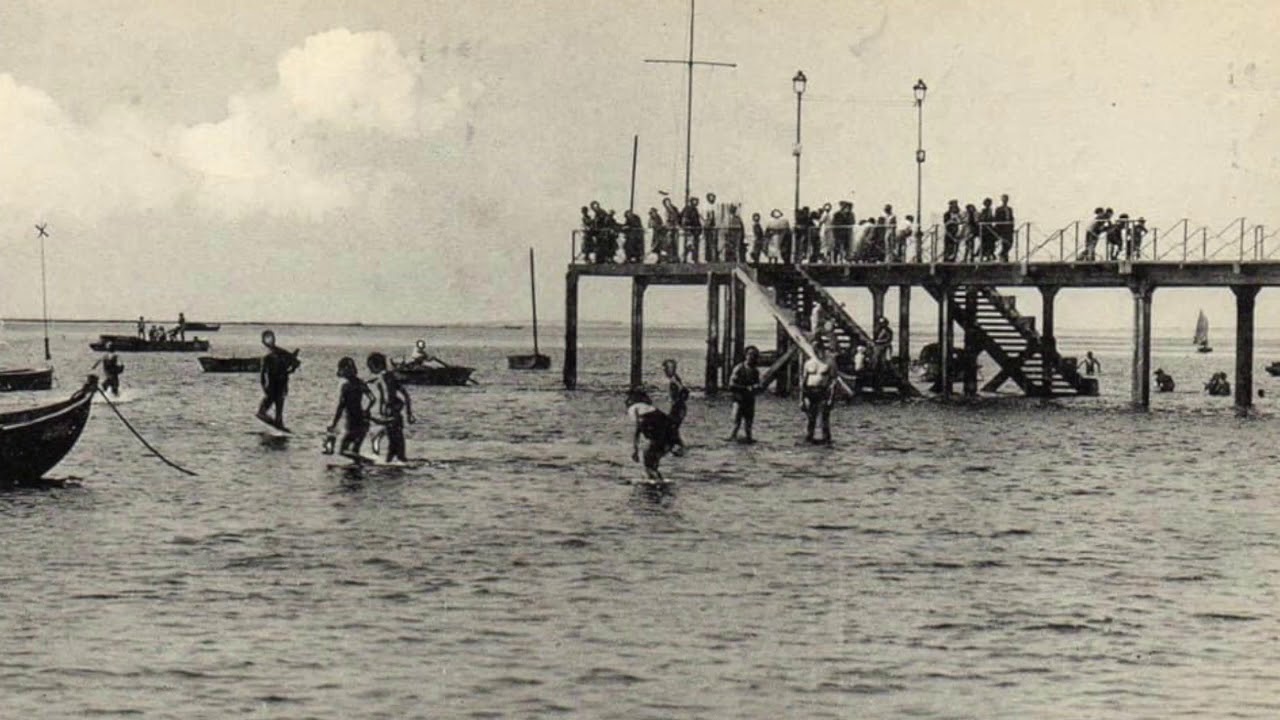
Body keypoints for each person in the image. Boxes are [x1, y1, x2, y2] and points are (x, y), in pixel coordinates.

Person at [367, 352, 415, 463]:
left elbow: (386, 396)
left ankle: (390, 463)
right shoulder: (390, 377)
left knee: (396, 447)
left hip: (390, 415)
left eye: (370, 367)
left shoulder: (383, 378)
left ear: (376, 366)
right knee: (396, 446)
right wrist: (409, 413)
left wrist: (384, 409)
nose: (370, 371)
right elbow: (406, 395)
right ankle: (392, 467)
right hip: (395, 415)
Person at [326, 357, 375, 460]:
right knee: (354, 451)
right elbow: (372, 399)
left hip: (352, 422)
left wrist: (334, 423)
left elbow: (341, 406)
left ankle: (367, 462)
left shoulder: (346, 386)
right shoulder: (360, 383)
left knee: (342, 451)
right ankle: (360, 468)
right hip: (363, 421)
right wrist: (367, 410)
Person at [626, 388, 676, 481]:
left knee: (649, 463)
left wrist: (635, 450)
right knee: (653, 463)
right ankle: (659, 484)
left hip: (657, 433)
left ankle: (656, 484)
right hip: (668, 432)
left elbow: (638, 427)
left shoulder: (634, 409)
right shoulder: (649, 407)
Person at [257, 329, 301, 430]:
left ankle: (278, 422)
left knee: (276, 406)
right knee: (263, 410)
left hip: (280, 383)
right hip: (274, 385)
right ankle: (278, 422)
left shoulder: (280, 353)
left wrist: (289, 370)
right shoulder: (268, 357)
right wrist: (264, 386)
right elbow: (263, 375)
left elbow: (296, 363)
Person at [800, 341, 836, 444]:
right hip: (810, 391)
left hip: (823, 391)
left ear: (822, 349)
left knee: (824, 418)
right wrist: (801, 399)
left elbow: (833, 381)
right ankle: (809, 437)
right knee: (810, 418)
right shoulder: (808, 363)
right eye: (814, 350)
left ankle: (826, 439)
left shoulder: (829, 362)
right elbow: (803, 381)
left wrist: (831, 398)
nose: (816, 352)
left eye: (818, 349)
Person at [728, 345, 762, 443]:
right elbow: (731, 385)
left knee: (749, 425)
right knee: (735, 424)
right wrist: (745, 388)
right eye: (750, 354)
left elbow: (758, 385)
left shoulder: (755, 371)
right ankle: (732, 442)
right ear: (746, 355)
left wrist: (757, 387)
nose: (752, 357)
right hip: (739, 399)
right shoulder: (739, 368)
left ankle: (748, 441)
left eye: (754, 355)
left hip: (750, 400)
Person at [662, 359, 690, 455]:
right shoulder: (674, 378)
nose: (665, 371)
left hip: (678, 407)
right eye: (664, 369)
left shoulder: (674, 379)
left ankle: (680, 447)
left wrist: (677, 401)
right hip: (678, 407)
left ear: (673, 369)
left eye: (667, 369)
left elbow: (683, 389)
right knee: (672, 428)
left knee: (672, 428)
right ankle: (679, 446)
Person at [681, 196, 702, 262]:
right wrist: (687, 228)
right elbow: (684, 219)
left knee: (694, 245)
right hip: (690, 230)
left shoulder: (695, 209)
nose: (696, 202)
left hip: (695, 230)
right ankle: (684, 258)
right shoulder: (687, 209)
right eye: (694, 201)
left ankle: (694, 258)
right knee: (690, 245)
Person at [995, 194, 1015, 262]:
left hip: (1009, 228)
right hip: (1003, 228)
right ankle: (1003, 255)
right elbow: (997, 218)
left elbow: (1011, 218)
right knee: (1004, 242)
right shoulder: (998, 209)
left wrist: (1012, 227)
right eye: (1004, 199)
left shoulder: (1010, 209)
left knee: (1010, 242)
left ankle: (1003, 254)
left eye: (1006, 199)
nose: (1005, 200)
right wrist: (998, 229)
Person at [978, 197, 997, 261]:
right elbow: (983, 219)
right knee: (985, 243)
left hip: (990, 229)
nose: (988, 205)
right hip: (985, 229)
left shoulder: (990, 210)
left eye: (989, 203)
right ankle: (984, 255)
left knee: (991, 243)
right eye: (987, 203)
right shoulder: (983, 210)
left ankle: (990, 254)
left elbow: (991, 218)